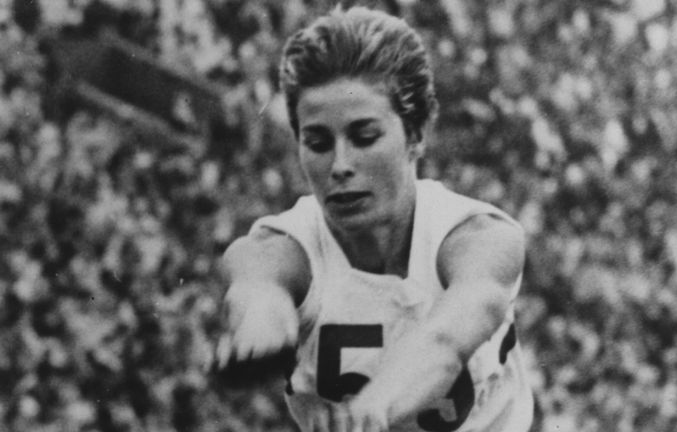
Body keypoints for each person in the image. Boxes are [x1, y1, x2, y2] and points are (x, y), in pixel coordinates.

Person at [214, 5, 533, 432]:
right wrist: (261, 327)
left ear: (415, 134)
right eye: (318, 142)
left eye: (365, 137)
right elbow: (257, 288)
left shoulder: (478, 237)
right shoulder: (281, 247)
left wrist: (376, 406)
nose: (340, 165)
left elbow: (447, 337)